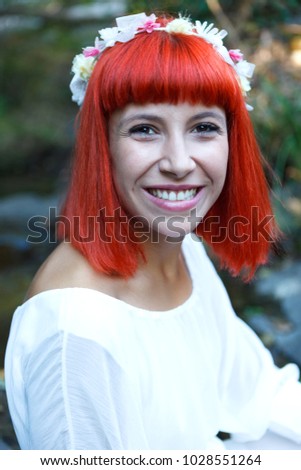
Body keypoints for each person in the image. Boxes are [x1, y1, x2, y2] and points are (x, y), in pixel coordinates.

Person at [4, 12, 301, 450]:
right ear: (101, 145)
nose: (179, 163)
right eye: (145, 129)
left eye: (203, 128)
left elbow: (256, 393)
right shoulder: (75, 327)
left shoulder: (182, 251)